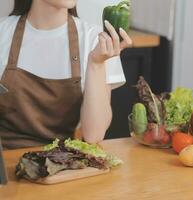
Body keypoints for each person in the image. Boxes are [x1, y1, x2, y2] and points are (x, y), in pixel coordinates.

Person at [0, 0, 132, 149]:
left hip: (59, 162)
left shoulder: (96, 40)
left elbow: (93, 135)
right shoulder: (2, 32)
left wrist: (96, 63)